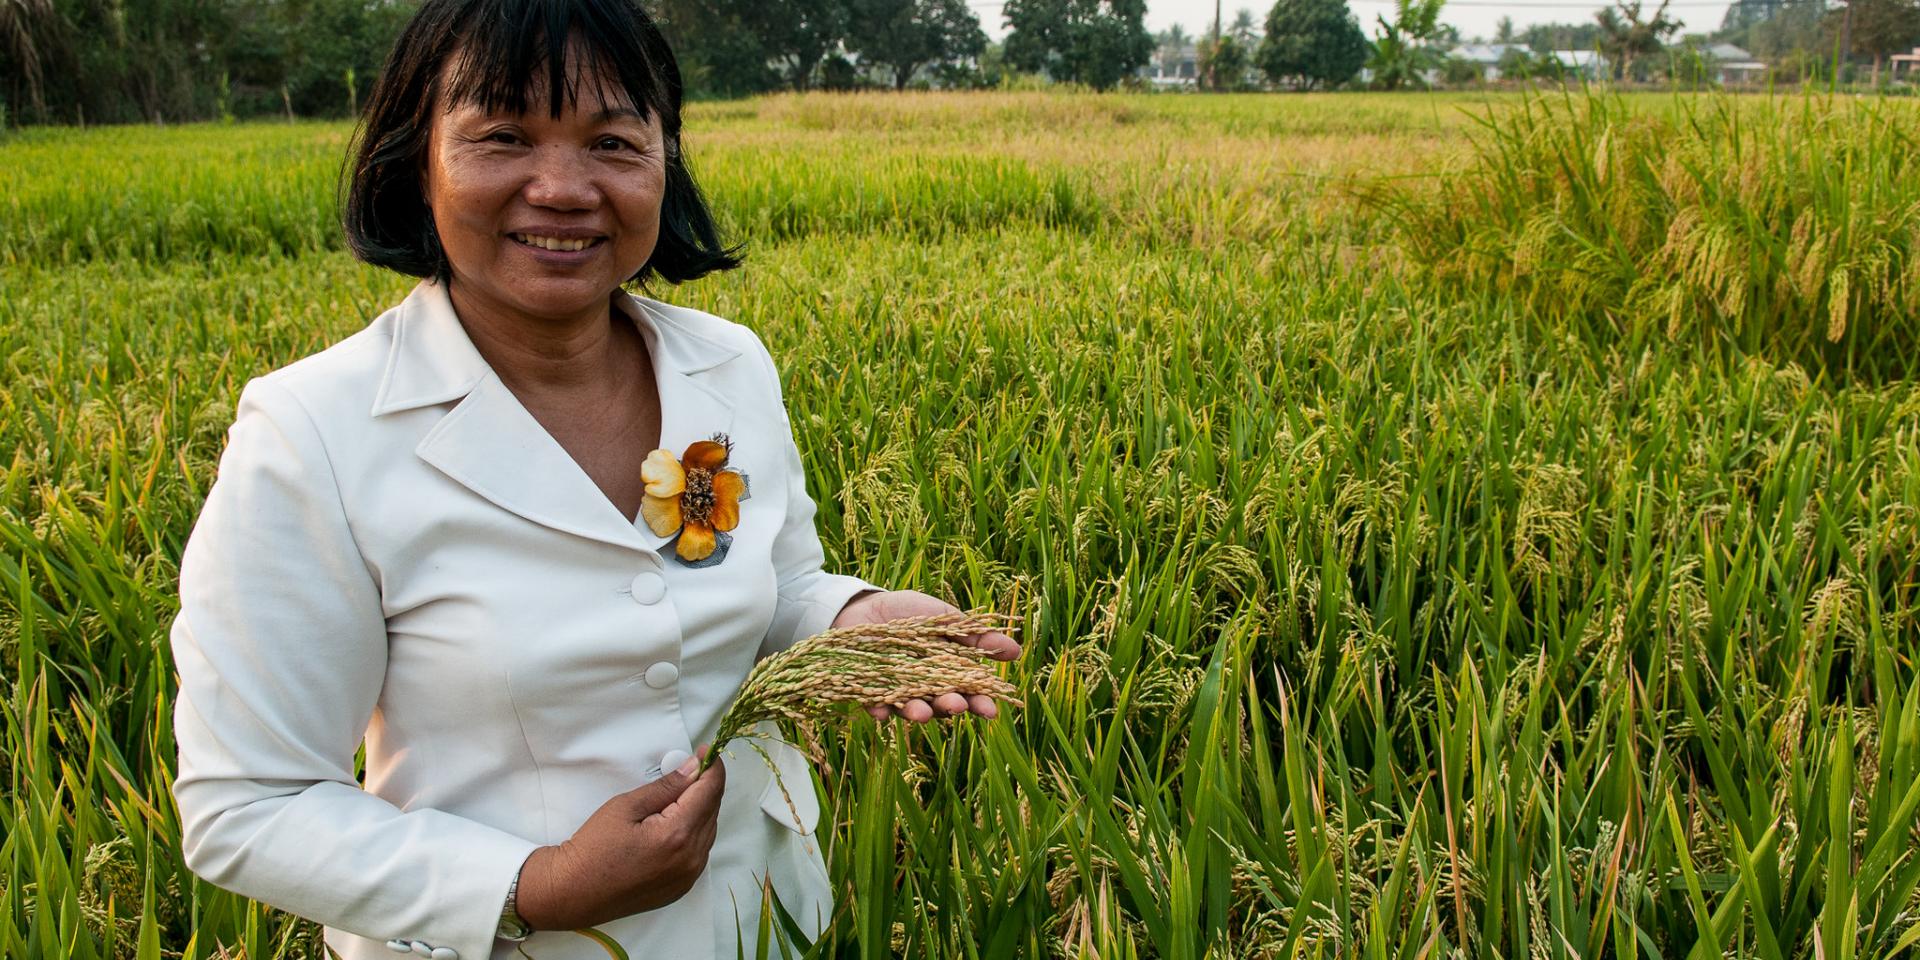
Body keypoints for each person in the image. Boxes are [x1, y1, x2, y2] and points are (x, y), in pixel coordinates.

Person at [166, 1, 1021, 957]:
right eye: (502, 136)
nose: (565, 188)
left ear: (665, 163)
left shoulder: (728, 365)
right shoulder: (313, 431)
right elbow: (246, 802)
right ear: (416, 160)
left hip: (763, 919)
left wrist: (847, 619)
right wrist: (535, 887)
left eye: (614, 141)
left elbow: (774, 585)